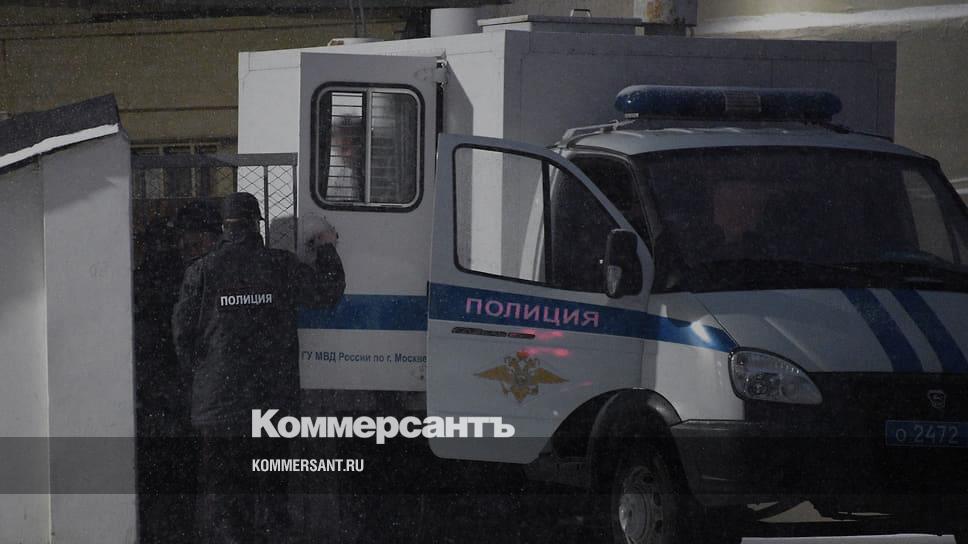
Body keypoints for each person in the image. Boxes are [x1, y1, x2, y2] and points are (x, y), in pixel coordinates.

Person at [172, 192, 345, 543]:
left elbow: (182, 335)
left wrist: (203, 376)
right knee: (270, 491)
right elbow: (327, 292)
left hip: (219, 407)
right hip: (271, 401)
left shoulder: (201, 271)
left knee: (226, 495)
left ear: (224, 227)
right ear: (257, 225)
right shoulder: (280, 265)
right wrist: (325, 245)